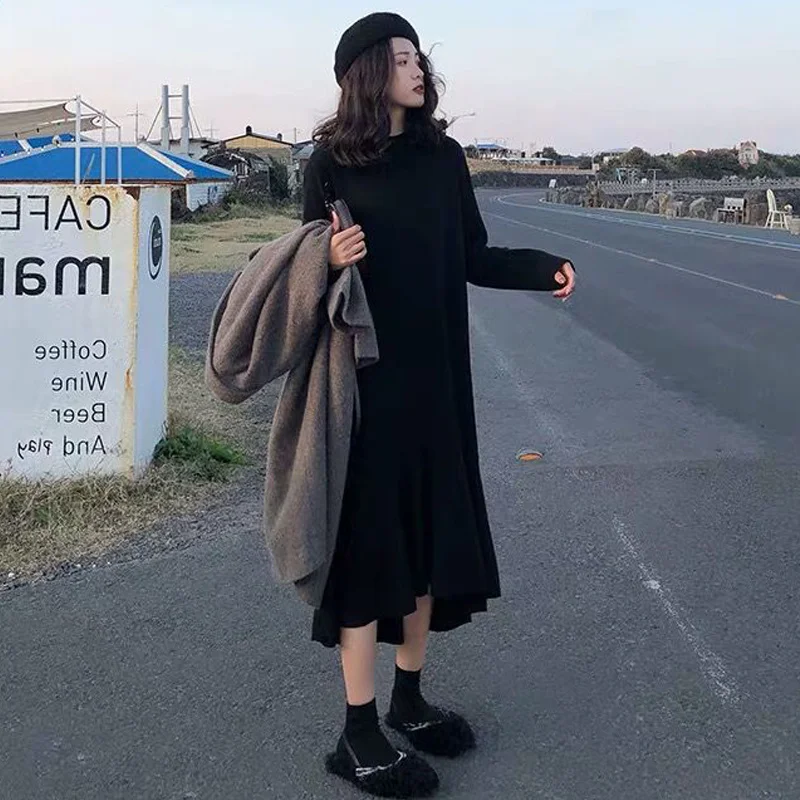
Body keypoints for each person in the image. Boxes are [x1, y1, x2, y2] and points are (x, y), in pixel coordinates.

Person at [301, 12, 576, 798]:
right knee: (367, 556)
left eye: (419, 57)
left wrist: (542, 267)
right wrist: (328, 256)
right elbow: (299, 274)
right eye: (401, 58)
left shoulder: (443, 157)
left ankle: (408, 699)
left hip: (438, 387)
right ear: (367, 72)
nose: (417, 68)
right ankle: (357, 731)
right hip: (365, 390)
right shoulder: (330, 163)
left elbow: (472, 255)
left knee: (426, 544)